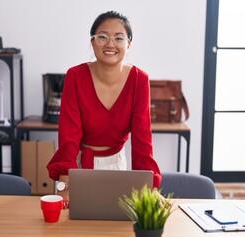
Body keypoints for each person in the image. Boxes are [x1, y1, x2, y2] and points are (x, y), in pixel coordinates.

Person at [47, 10, 162, 201]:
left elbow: (143, 140)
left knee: (113, 225)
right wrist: (64, 183)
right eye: (102, 37)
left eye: (118, 38)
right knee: (72, 225)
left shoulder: (139, 80)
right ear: (92, 42)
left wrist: (151, 189)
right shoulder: (75, 76)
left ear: (128, 44)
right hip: (77, 167)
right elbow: (69, 135)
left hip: (116, 164)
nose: (110, 44)